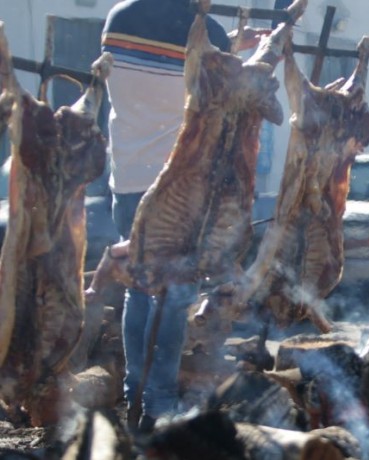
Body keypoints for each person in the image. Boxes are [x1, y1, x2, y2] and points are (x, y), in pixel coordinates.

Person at [100, 0, 263, 433]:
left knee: (140, 289)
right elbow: (211, 92)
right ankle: (160, 402)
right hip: (183, 188)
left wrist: (227, 46)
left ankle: (137, 394)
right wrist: (232, 49)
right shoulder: (207, 25)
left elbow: (163, 76)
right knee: (174, 294)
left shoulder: (120, 17)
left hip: (128, 178)